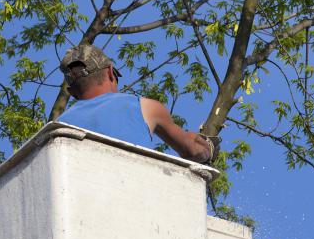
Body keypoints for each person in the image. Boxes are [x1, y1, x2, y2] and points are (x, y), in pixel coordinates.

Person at [57, 44, 219, 164]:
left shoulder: (57, 127)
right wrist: (207, 146)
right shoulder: (145, 108)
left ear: (72, 93)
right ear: (110, 73)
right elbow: (193, 150)